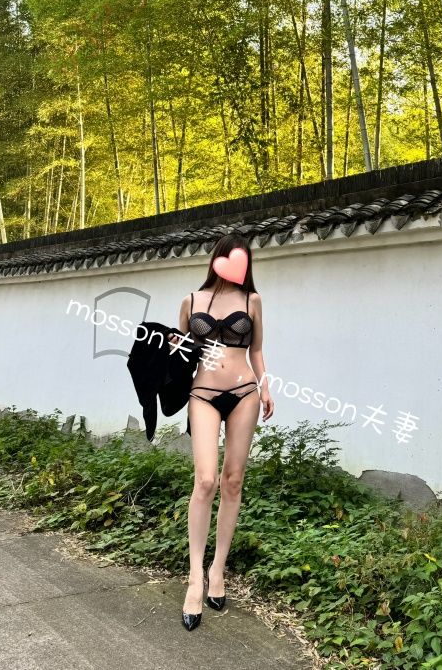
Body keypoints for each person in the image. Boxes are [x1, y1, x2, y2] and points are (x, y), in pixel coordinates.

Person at [169, 233, 274, 630]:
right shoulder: (191, 300)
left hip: (245, 392)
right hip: (203, 394)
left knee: (233, 481)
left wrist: (266, 387)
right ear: (218, 259)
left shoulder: (252, 301)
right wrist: (169, 351)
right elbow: (179, 353)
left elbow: (256, 350)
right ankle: (194, 578)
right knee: (206, 480)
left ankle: (217, 569)